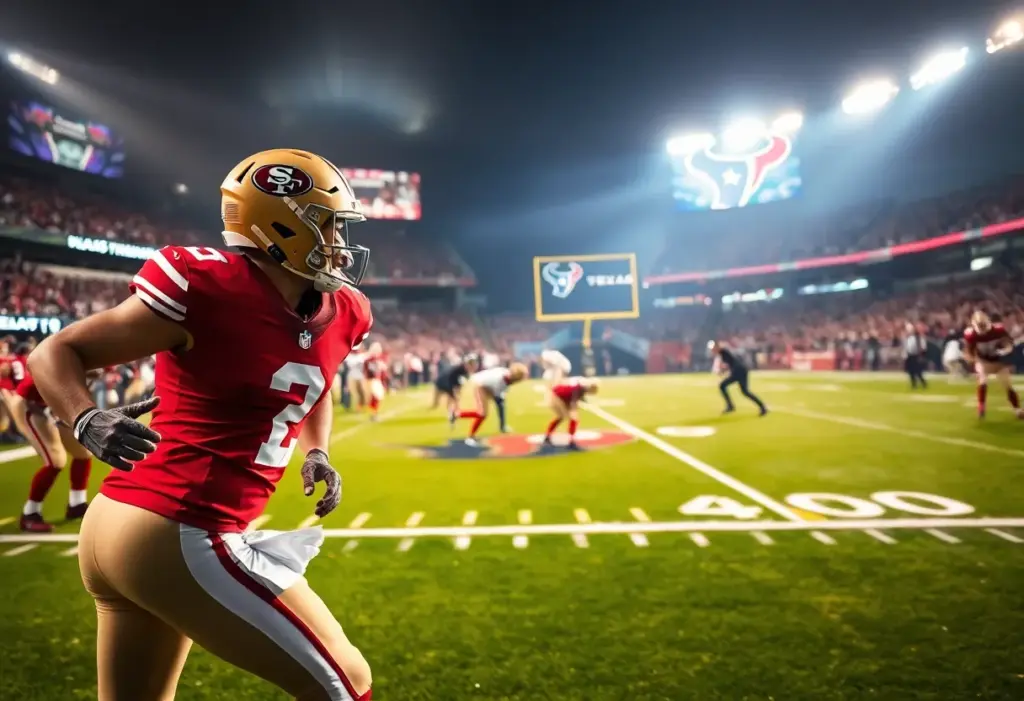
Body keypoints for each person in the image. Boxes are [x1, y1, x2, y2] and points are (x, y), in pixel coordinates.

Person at [28, 149, 375, 700]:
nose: (339, 241)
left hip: (135, 529)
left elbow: (317, 384)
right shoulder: (207, 285)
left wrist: (318, 451)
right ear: (279, 225)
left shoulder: (345, 311)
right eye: (327, 224)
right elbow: (55, 352)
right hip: (178, 529)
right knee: (346, 683)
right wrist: (85, 416)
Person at [9, 369, 95, 532]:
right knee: (55, 461)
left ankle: (77, 504)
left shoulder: (102, 362)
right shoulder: (71, 358)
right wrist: (52, 411)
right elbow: (40, 378)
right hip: (31, 404)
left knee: (83, 452)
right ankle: (30, 513)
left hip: (54, 405)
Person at [963, 310, 1022, 419]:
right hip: (983, 361)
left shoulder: (998, 330)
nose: (982, 329)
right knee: (982, 381)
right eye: (979, 326)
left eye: (983, 325)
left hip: (999, 361)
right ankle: (981, 407)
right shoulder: (971, 335)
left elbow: (1008, 343)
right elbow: (969, 352)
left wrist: (1005, 349)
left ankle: (1017, 410)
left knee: (1007, 385)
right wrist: (972, 360)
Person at [456, 362, 528, 445]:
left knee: (500, 405)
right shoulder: (500, 380)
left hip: (488, 386)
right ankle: (467, 431)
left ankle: (502, 427)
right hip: (481, 387)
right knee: (482, 414)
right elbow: (497, 393)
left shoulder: (506, 375)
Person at [709, 341, 767, 416]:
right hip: (741, 370)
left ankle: (730, 406)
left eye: (713, 348)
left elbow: (727, 363)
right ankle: (762, 407)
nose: (712, 350)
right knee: (745, 391)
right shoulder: (723, 353)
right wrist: (723, 370)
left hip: (738, 371)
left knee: (722, 386)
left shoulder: (723, 352)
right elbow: (730, 363)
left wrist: (722, 371)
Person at [543, 377, 599, 450]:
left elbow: (577, 398)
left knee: (568, 417)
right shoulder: (579, 389)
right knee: (567, 417)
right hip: (556, 396)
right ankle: (570, 441)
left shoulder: (580, 388)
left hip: (561, 396)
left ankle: (549, 436)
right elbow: (574, 402)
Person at [434, 353, 480, 428]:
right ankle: (453, 415)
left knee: (454, 399)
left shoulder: (464, 370)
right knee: (454, 399)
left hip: (449, 383)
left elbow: (460, 382)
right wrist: (455, 389)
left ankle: (453, 414)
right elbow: (453, 380)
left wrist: (457, 389)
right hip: (445, 383)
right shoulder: (460, 370)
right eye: (471, 363)